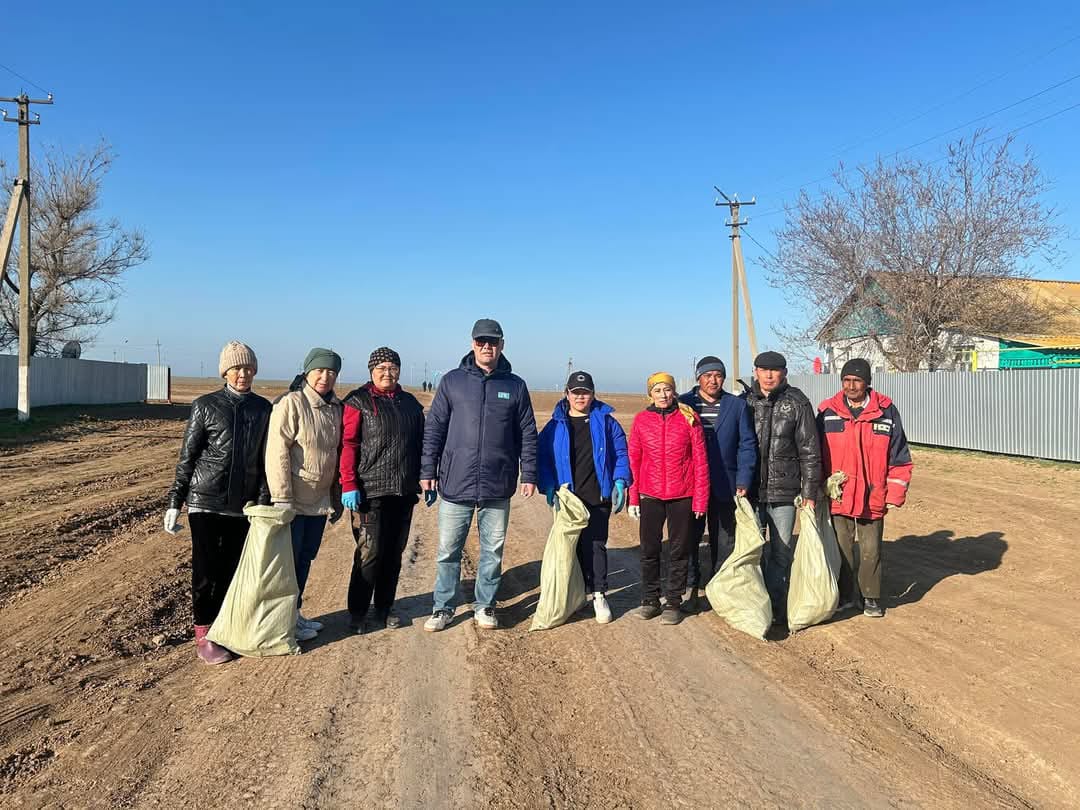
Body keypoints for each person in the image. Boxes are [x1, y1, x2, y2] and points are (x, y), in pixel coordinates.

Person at [420, 318, 538, 632]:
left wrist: (529, 474)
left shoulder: (515, 385)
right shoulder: (452, 381)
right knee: (448, 551)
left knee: (492, 551)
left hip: (497, 484)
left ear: (502, 345)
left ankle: (485, 605)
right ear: (473, 344)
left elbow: (527, 432)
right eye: (481, 341)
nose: (487, 346)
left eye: (493, 341)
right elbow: (434, 429)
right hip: (455, 482)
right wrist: (427, 470)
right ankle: (443, 607)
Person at [165, 341, 271, 665]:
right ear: (225, 371)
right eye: (237, 368)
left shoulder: (263, 409)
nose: (243, 374)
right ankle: (203, 635)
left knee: (232, 571)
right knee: (206, 572)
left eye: (249, 368)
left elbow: (267, 460)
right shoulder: (205, 405)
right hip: (205, 502)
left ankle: (224, 630)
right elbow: (188, 457)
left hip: (242, 506)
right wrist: (174, 502)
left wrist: (263, 502)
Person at [817, 358, 913, 618]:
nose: (851, 386)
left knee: (871, 550)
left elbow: (900, 456)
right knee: (841, 548)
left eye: (856, 381)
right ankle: (847, 595)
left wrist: (894, 493)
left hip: (873, 494)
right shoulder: (828, 411)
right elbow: (815, 454)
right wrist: (818, 488)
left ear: (867, 382)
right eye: (846, 380)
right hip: (840, 494)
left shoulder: (886, 411)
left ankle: (870, 597)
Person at [340, 347, 425, 633]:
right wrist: (349, 483)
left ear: (399, 370)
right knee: (369, 553)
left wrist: (426, 477)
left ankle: (385, 608)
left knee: (393, 553)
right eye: (381, 368)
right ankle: (358, 612)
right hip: (369, 492)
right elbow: (348, 445)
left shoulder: (411, 404)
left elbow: (421, 446)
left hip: (402, 492)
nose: (387, 373)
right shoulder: (358, 401)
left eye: (392, 367)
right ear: (371, 371)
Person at [537, 371, 631, 624]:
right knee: (571, 547)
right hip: (568, 498)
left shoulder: (608, 422)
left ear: (592, 393)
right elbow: (542, 458)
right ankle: (575, 595)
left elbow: (621, 453)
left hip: (597, 494)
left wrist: (620, 480)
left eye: (585, 392)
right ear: (567, 394)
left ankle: (599, 594)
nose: (580, 397)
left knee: (596, 544)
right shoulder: (555, 425)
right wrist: (547, 485)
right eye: (575, 392)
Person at [266, 347, 344, 642]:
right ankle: (282, 620)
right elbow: (277, 453)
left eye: (332, 372)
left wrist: (335, 498)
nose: (325, 377)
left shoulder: (335, 407)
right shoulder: (291, 404)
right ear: (308, 371)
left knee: (305, 559)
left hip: (319, 501)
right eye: (320, 371)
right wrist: (282, 497)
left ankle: (295, 614)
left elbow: (336, 454)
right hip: (294, 501)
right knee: (288, 561)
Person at [743, 351, 821, 624]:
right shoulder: (745, 403)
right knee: (750, 550)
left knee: (781, 550)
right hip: (750, 492)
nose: (768, 375)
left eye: (774, 370)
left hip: (784, 493)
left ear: (784, 373)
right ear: (755, 372)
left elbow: (810, 451)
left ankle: (776, 605)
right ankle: (754, 604)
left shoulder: (797, 403)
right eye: (763, 370)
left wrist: (809, 492)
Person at [627, 372, 710, 625]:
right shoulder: (641, 420)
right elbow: (634, 460)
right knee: (649, 549)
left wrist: (700, 500)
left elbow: (700, 461)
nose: (663, 395)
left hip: (682, 494)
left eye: (667, 390)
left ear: (674, 392)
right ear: (650, 394)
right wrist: (633, 498)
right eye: (657, 390)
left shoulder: (689, 418)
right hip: (650, 494)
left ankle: (673, 601)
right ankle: (650, 599)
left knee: (678, 549)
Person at [679, 356, 758, 609]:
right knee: (690, 537)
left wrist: (744, 478)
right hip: (691, 484)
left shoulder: (736, 406)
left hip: (727, 483)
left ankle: (719, 587)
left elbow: (747, 444)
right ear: (698, 378)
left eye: (718, 375)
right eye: (708, 375)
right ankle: (691, 587)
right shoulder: (684, 403)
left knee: (724, 539)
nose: (713, 380)